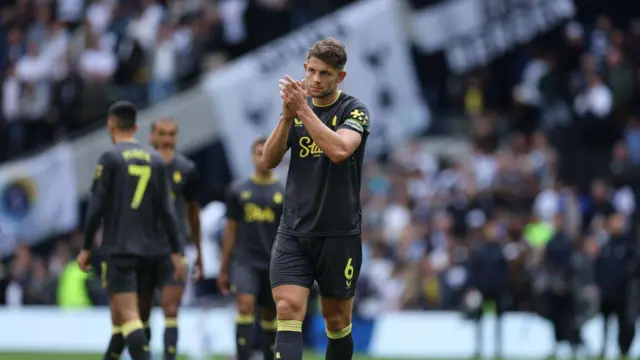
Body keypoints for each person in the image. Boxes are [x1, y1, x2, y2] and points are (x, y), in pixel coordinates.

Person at [261, 37, 371, 360]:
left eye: (325, 73)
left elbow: (339, 150)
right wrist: (285, 117)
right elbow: (268, 162)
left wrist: (303, 111)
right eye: (311, 71)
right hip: (293, 232)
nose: (316, 79)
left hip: (338, 234)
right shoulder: (295, 113)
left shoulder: (354, 111)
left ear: (341, 77)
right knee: (287, 308)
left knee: (336, 320)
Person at [77, 101, 186, 360]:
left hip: (120, 250)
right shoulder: (156, 160)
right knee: (120, 321)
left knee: (129, 317)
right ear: (136, 126)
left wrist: (86, 247)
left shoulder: (110, 158)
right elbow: (168, 213)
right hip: (150, 252)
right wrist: (175, 252)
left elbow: (96, 208)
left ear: (110, 125)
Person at [138, 117, 203, 360]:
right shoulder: (136, 167)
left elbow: (193, 214)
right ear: (151, 136)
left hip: (173, 252)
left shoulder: (186, 170)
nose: (166, 139)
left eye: (171, 134)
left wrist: (199, 253)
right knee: (142, 313)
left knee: (171, 309)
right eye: (162, 134)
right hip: (142, 250)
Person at [217, 137, 285, 360]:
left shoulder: (283, 193)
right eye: (258, 152)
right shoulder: (238, 190)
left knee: (269, 315)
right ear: (252, 156)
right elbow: (230, 231)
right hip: (244, 261)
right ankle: (242, 356)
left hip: (273, 264)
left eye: (267, 152)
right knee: (245, 306)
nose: (262, 157)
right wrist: (224, 267)